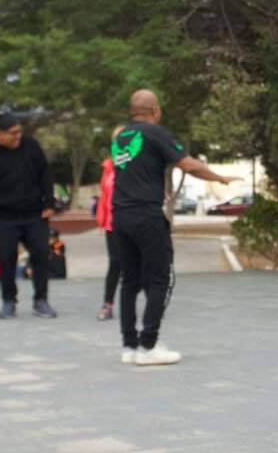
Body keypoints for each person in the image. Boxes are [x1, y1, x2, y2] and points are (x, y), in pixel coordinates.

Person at [111, 89, 240, 366]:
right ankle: (148, 345)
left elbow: (136, 172)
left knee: (130, 281)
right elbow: (188, 165)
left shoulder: (121, 136)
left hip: (120, 215)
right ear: (154, 110)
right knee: (162, 278)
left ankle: (129, 346)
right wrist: (219, 178)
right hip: (146, 215)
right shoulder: (154, 132)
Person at [0, 112, 57, 320]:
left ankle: (41, 299)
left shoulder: (31, 146)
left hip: (34, 213)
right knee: (6, 259)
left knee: (40, 253)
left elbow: (45, 173)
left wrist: (49, 202)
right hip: (2, 217)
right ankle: (9, 300)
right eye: (13, 133)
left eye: (19, 132)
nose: (18, 136)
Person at [95, 131, 122, 321]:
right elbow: (105, 194)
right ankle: (108, 304)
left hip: (134, 219)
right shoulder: (108, 165)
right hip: (112, 222)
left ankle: (153, 303)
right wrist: (102, 219)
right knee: (115, 263)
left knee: (141, 262)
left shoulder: (138, 162)